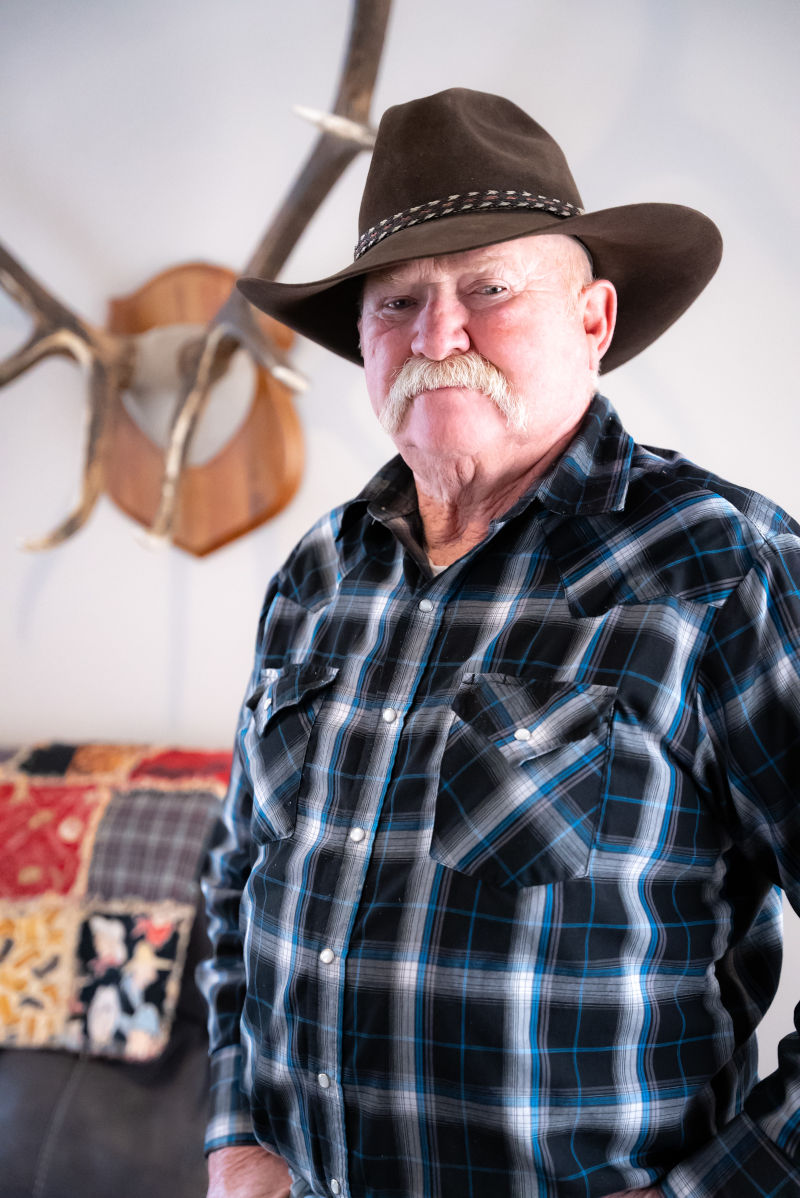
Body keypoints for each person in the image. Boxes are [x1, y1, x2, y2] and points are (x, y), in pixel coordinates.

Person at [199, 89, 800, 1198]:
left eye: (487, 288)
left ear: (592, 319)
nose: (438, 335)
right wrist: (237, 1131)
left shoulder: (722, 564)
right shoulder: (313, 577)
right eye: (397, 303)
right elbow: (237, 876)